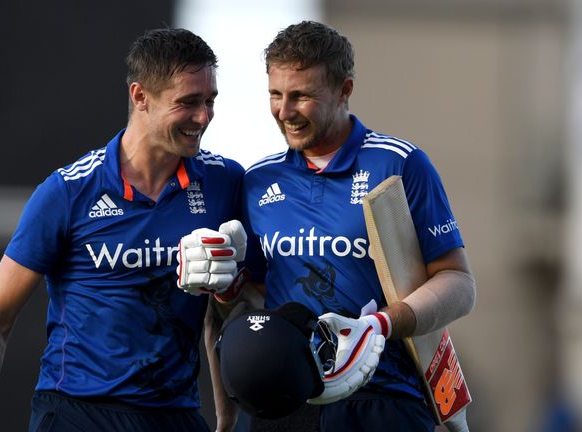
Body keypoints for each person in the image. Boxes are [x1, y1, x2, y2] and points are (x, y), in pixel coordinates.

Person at [0, 27, 246, 432]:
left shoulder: (224, 181)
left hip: (175, 414)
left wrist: (227, 419)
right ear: (140, 96)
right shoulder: (69, 191)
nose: (204, 116)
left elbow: (231, 312)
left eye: (210, 101)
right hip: (78, 412)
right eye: (188, 102)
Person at [195, 21, 477, 432]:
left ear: (344, 89)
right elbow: (248, 300)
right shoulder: (258, 181)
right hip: (286, 402)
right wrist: (224, 286)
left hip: (383, 399)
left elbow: (459, 284)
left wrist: (378, 325)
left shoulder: (398, 164)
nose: (285, 111)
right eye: (275, 94)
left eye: (301, 96)